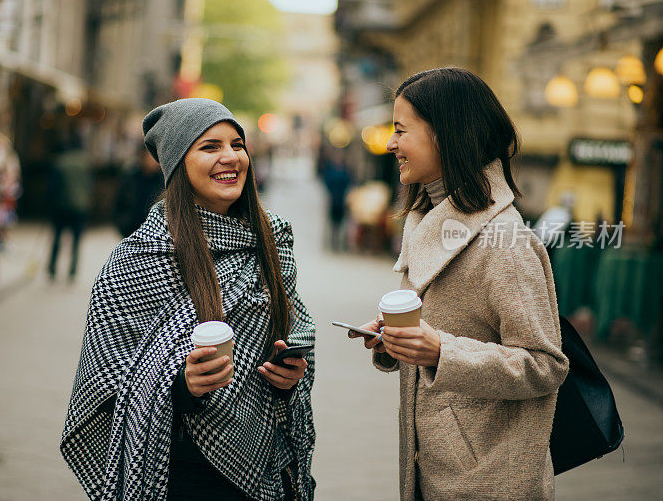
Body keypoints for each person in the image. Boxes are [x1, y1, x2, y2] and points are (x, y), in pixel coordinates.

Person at [61, 98, 316, 501]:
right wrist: (182, 385)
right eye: (210, 147)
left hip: (268, 468)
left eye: (237, 144)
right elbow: (104, 386)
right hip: (178, 472)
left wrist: (288, 379)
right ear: (178, 162)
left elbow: (293, 333)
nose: (230, 157)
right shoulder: (138, 258)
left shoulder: (272, 240)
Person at [349, 68, 569, 500]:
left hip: (488, 477)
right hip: (438, 467)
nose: (391, 143)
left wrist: (440, 352)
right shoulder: (428, 224)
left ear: (446, 134)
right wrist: (397, 340)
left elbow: (546, 365)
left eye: (401, 130)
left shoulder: (505, 242)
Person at [47, 131, 91, 281]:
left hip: (61, 205)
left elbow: (52, 186)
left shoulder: (60, 161)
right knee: (76, 240)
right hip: (80, 206)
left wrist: (50, 203)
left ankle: (52, 267)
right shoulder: (86, 162)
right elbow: (90, 184)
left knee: (57, 237)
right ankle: (72, 270)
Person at [113, 147, 164, 238]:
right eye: (151, 157)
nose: (154, 161)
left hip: (155, 234)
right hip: (132, 231)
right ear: (142, 157)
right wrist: (123, 225)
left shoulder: (163, 180)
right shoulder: (131, 177)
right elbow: (120, 203)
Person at [321, 152, 351, 251]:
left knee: (341, 221)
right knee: (333, 221)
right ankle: (333, 241)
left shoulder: (345, 171)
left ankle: (339, 242)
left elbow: (349, 183)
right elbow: (326, 181)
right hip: (333, 199)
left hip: (342, 199)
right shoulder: (331, 170)